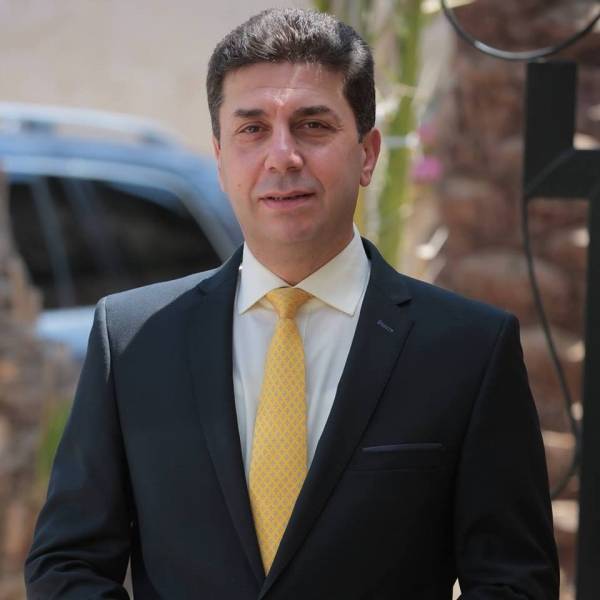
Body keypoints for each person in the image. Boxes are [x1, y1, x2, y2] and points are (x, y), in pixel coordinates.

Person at [25, 8, 559, 599]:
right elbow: (67, 565)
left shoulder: (469, 350)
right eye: (252, 129)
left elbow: (513, 582)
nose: (282, 156)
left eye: (312, 125)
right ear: (220, 158)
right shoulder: (131, 340)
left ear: (368, 153)